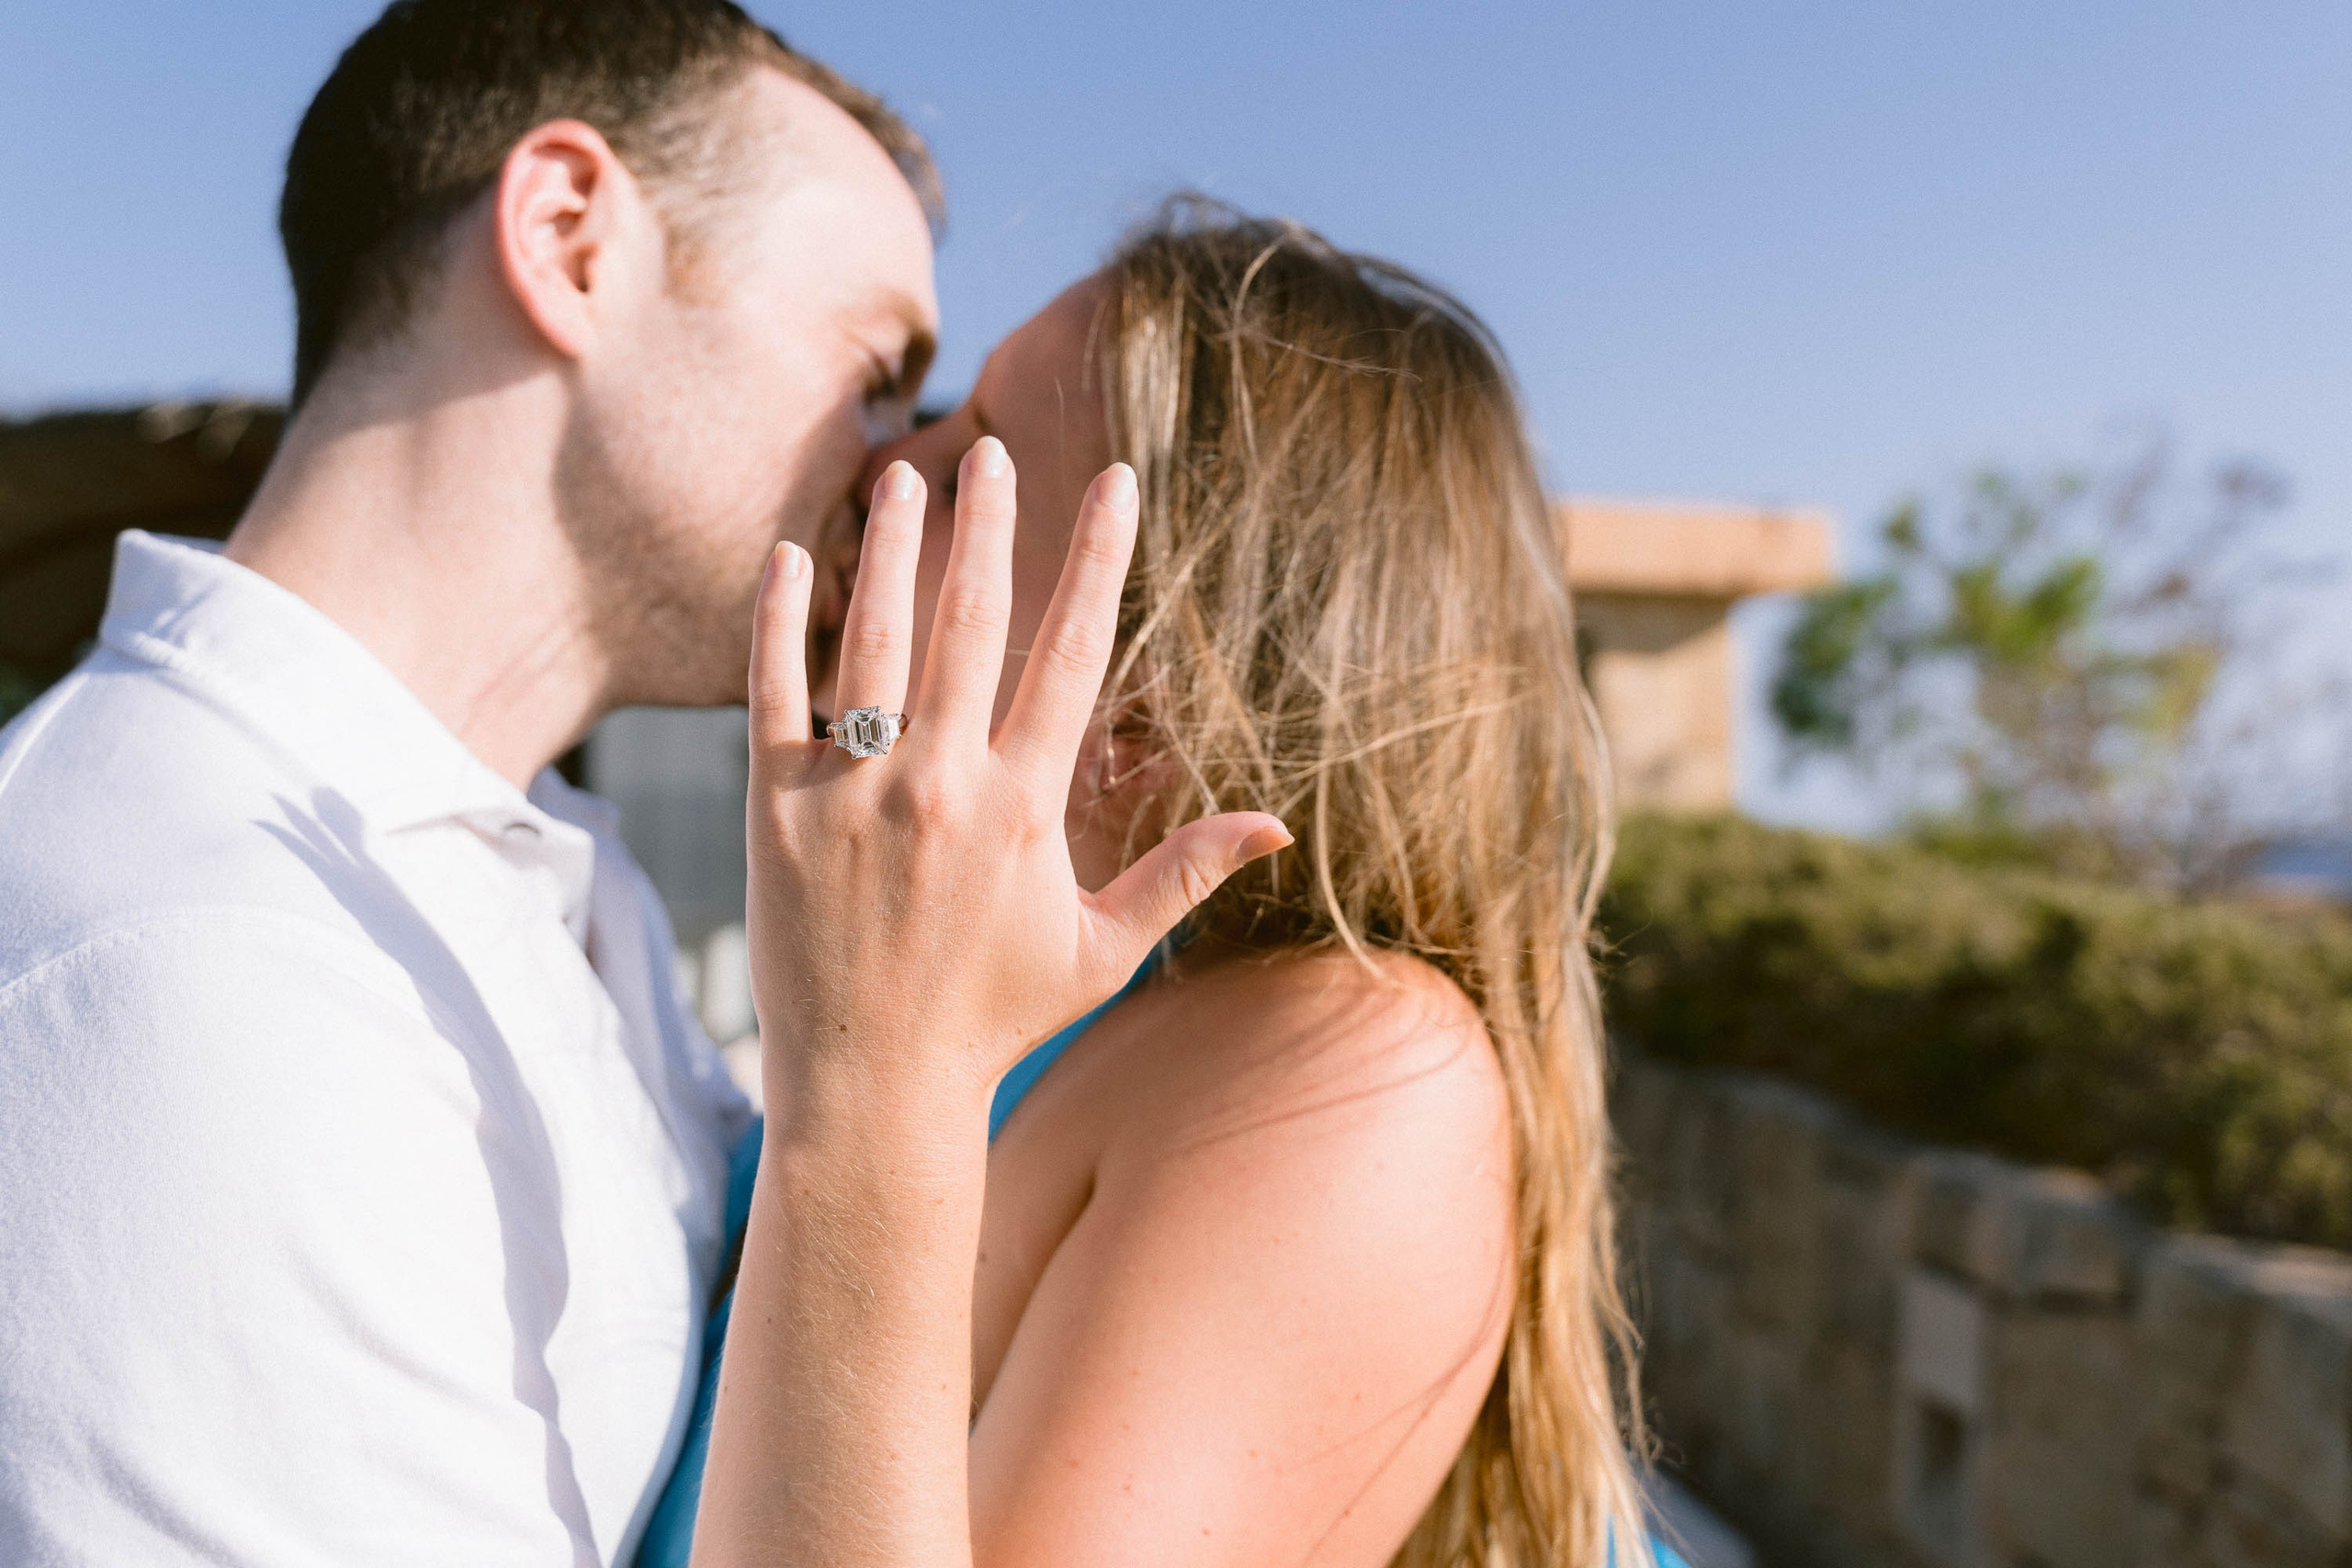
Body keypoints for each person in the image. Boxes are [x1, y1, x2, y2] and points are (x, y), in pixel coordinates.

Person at [0, 4, 1243, 1562]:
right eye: (877, 369)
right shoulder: (200, 978)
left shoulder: (562, 875)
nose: (894, 467)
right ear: (571, 237)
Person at [660, 207, 1669, 1567]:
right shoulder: (1051, 1033)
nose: (885, 467)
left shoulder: (1350, 1077)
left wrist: (868, 1082)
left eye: (974, 468)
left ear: (1148, 701)